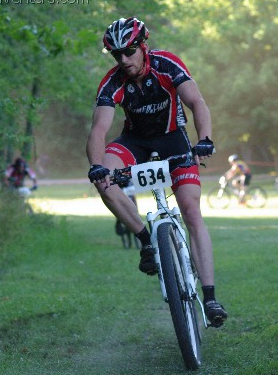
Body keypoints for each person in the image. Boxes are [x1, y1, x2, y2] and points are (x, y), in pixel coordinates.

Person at [86, 17, 227, 327]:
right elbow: (99, 129)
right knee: (104, 180)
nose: (124, 59)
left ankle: (210, 296)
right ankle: (147, 240)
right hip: (134, 141)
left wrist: (204, 139)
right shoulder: (113, 82)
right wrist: (97, 166)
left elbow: (196, 102)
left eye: (130, 51)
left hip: (173, 137)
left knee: (190, 210)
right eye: (116, 54)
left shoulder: (166, 64)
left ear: (143, 46)